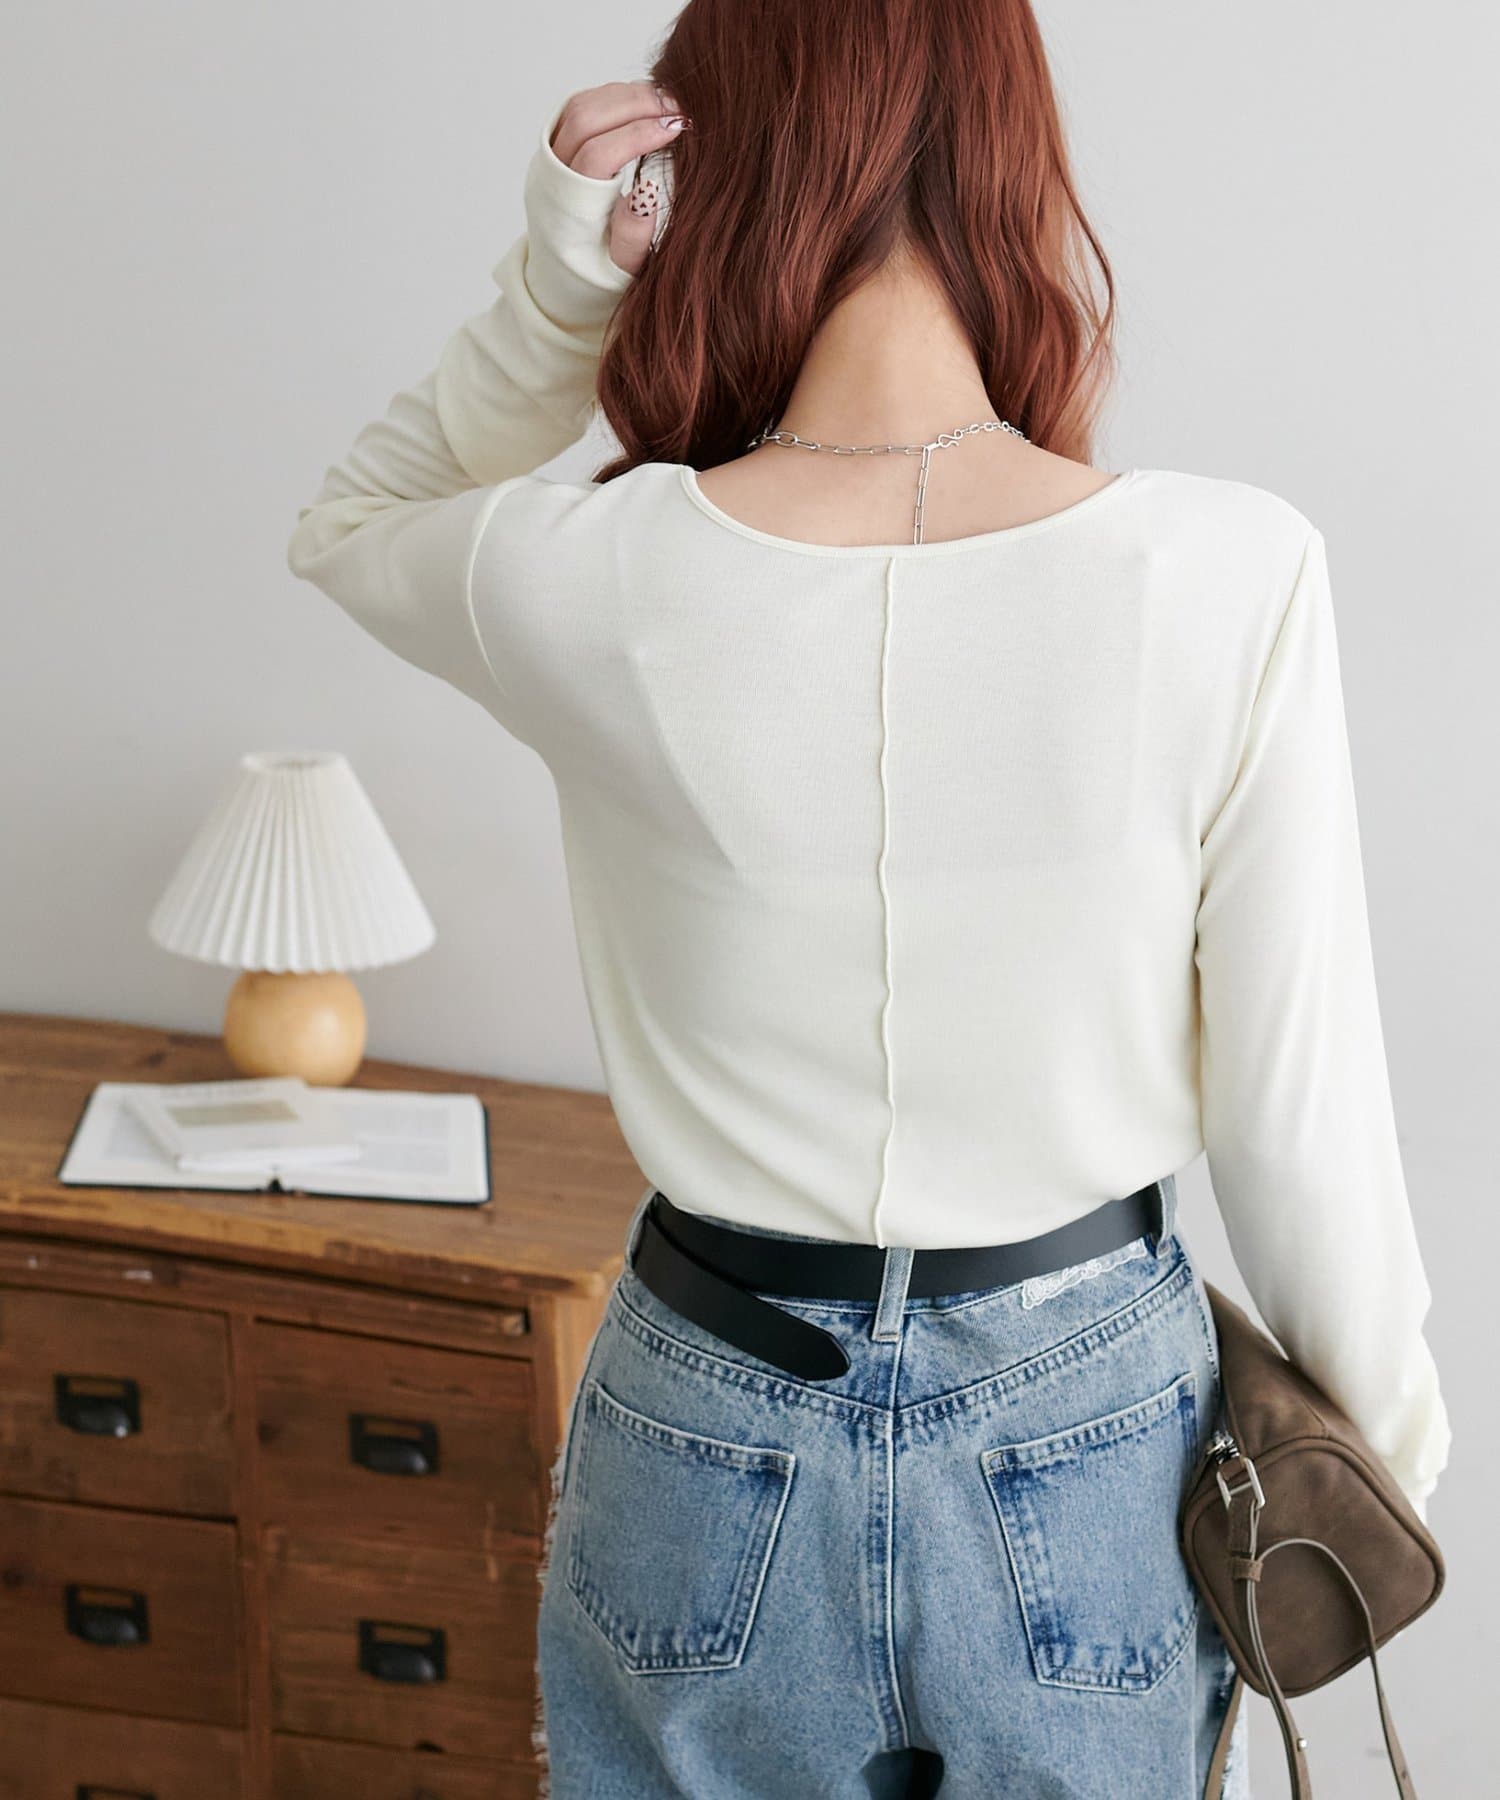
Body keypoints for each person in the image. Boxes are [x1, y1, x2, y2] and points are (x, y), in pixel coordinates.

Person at [285, 5, 1450, 1795]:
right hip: (1088, 1422)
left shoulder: (599, 575)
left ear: (715, 173)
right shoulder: (1230, 573)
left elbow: (357, 518)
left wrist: (564, 285)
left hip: (708, 1404)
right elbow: (1297, 1111)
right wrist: (1389, 1459)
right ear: (1014, 160)